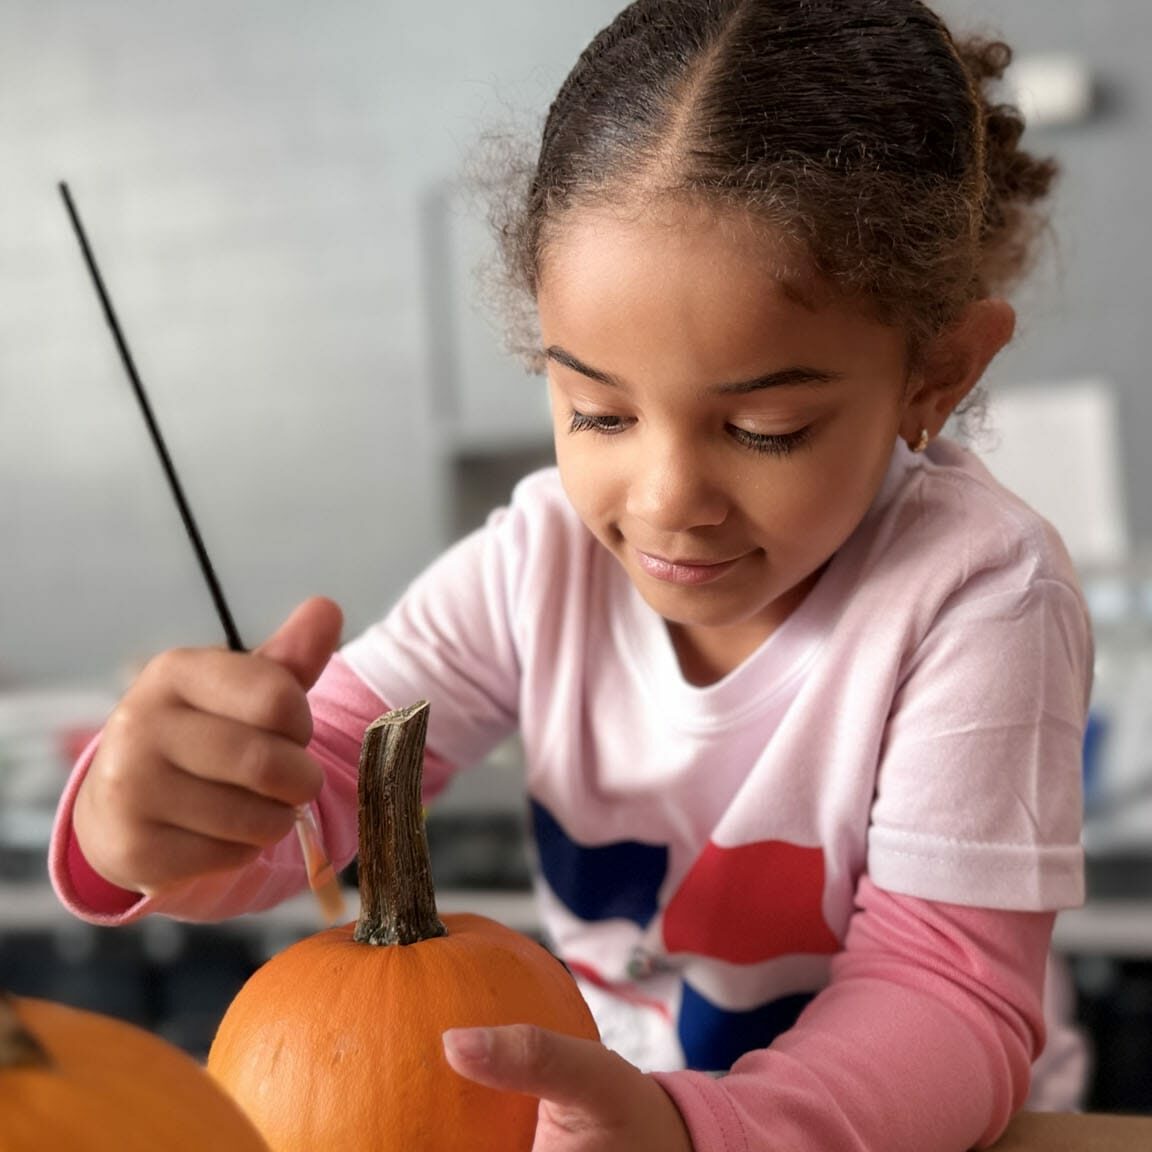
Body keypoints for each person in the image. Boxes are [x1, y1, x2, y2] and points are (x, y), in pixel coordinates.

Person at [50, 2, 1092, 1149]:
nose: (663, 503)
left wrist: (699, 1132)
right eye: (598, 411)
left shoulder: (979, 593)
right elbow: (325, 781)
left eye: (766, 427)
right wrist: (140, 817)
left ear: (934, 378)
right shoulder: (534, 560)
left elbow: (947, 997)